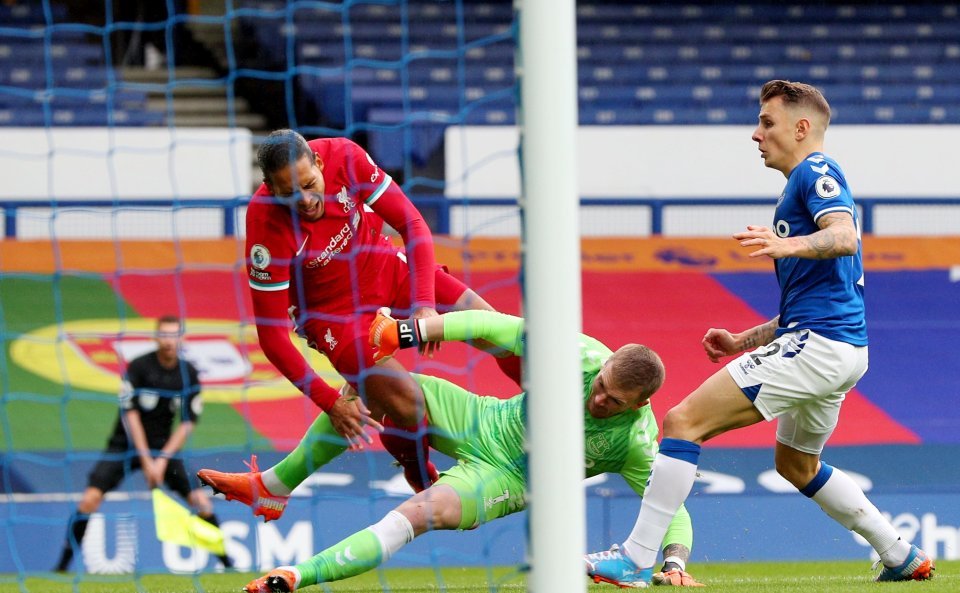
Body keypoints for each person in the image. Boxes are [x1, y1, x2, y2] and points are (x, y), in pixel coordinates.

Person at [585, 79, 935, 586]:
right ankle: (900, 554)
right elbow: (810, 304)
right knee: (796, 464)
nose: (756, 134)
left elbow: (844, 235)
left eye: (767, 123)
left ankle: (635, 557)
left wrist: (783, 244)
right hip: (839, 347)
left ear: (801, 127)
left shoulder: (816, 170)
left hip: (818, 348)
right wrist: (743, 341)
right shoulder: (800, 187)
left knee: (682, 421)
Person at [206, 308, 701, 592]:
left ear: (642, 404)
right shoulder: (585, 355)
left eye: (613, 401)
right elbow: (495, 327)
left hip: (506, 477)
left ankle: (294, 576)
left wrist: (674, 561)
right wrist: (408, 331)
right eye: (601, 385)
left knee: (419, 514)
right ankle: (271, 488)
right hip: (482, 416)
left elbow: (667, 507)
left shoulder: (637, 440)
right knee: (372, 387)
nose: (597, 398)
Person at [241, 129, 519, 499]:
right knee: (407, 402)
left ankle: (544, 419)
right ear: (271, 189)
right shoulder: (265, 226)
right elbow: (272, 336)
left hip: (386, 267)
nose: (306, 200)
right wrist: (330, 402)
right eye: (290, 194)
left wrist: (424, 307)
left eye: (310, 184)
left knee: (495, 327)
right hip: (334, 317)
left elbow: (413, 225)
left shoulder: (346, 156)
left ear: (320, 164)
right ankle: (420, 476)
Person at [54, 315, 231, 571]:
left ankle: (228, 564)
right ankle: (61, 567)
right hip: (123, 446)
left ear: (182, 338)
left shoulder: (188, 373)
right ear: (156, 337)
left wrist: (161, 461)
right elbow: (130, 414)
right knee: (89, 499)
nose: (169, 341)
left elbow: (187, 422)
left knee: (201, 501)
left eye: (174, 335)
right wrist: (147, 459)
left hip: (164, 450)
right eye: (164, 335)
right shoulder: (139, 367)